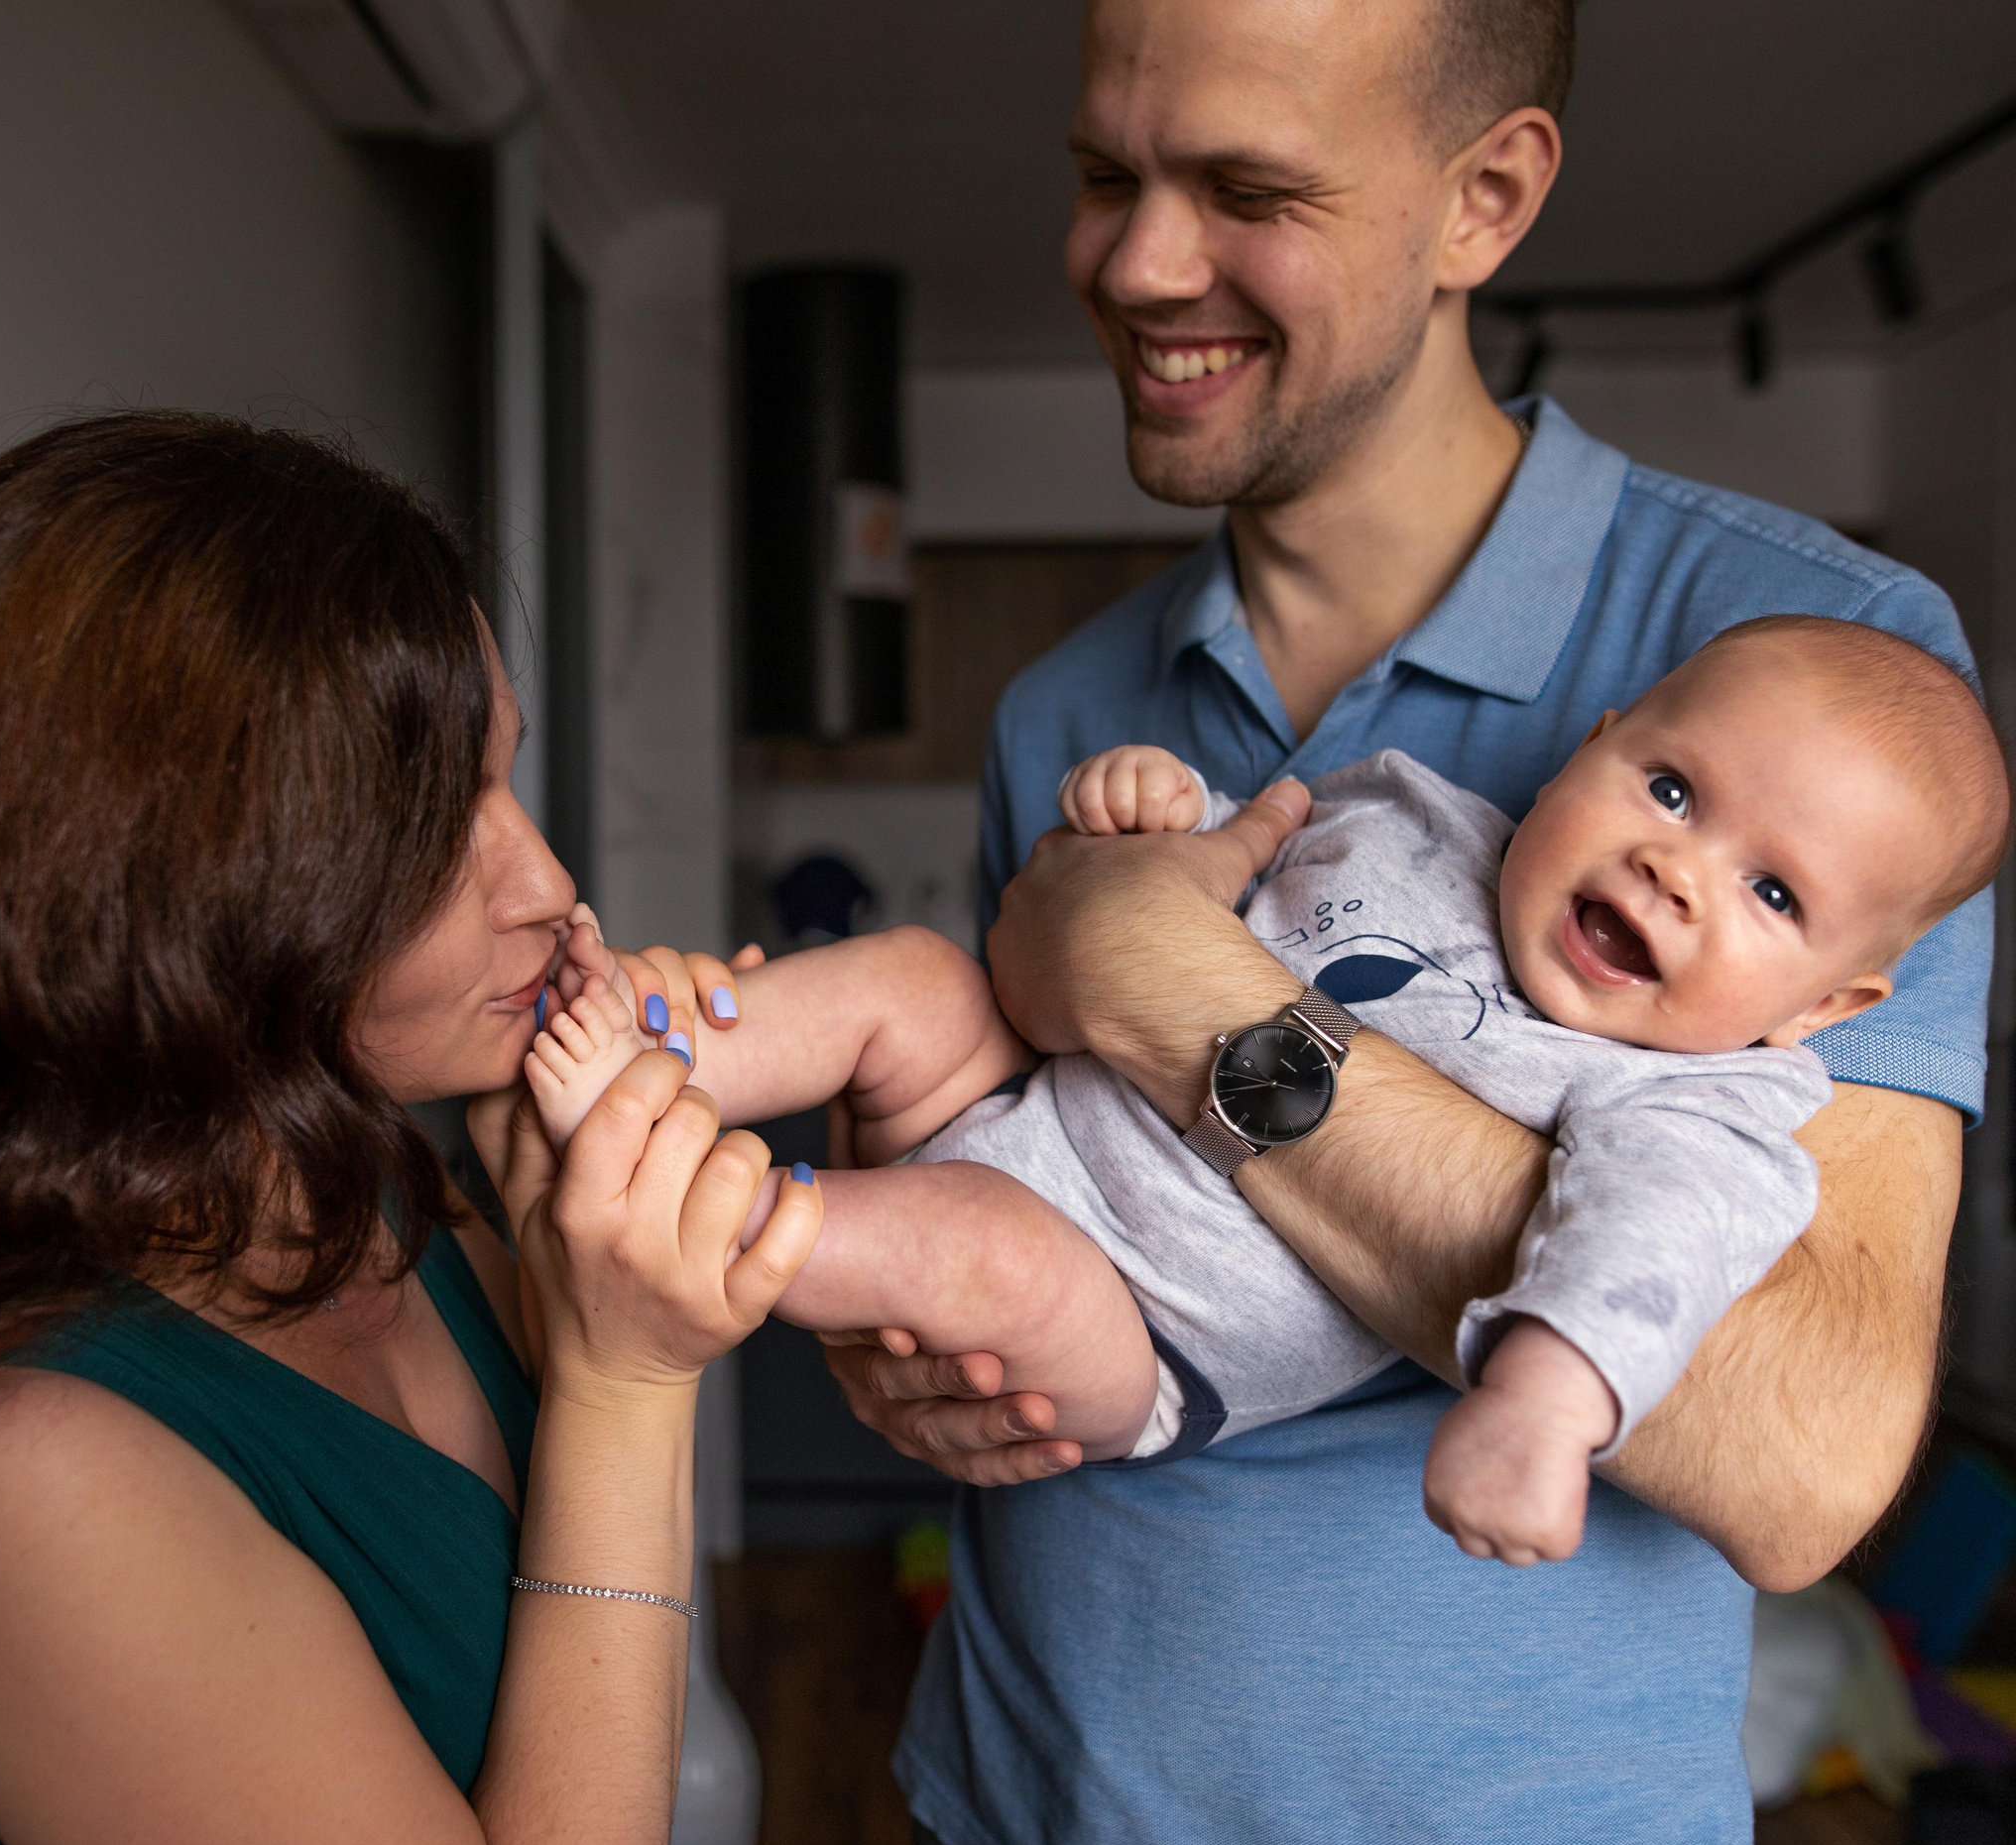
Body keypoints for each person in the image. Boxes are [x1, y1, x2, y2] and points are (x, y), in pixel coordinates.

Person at [810, 1, 1999, 1845]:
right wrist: (913, 1330)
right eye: (1108, 174)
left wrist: (1178, 987)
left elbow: (1805, 1456)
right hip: (1016, 1826)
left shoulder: (1826, 679)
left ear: (1489, 198)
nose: (1136, 263)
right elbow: (1033, 1170)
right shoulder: (1068, 702)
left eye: (1249, 190)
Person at [0, 412, 809, 1845]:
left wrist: (580, 1242)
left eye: (504, 782)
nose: (548, 884)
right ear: (172, 892)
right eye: (429, 824)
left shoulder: (370, 1179)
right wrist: (629, 1383)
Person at [526, 618, 2007, 1569]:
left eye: (1768, 891)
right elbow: (1198, 876)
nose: (1675, 872)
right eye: (1671, 789)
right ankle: (641, 1031)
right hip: (1025, 1100)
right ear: (1598, 739)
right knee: (911, 974)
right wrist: (1151, 815)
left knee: (980, 1250)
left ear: (1828, 1007)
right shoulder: (1409, 806)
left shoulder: (1704, 1106)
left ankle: (678, 1201)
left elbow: (1648, 1250)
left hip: (1133, 1316)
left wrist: (1547, 1401)